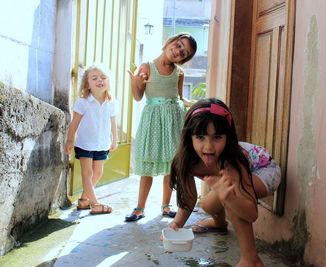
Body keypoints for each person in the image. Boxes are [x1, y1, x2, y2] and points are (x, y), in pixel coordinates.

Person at [168, 98, 281, 267]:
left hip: (264, 171)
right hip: (238, 177)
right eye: (200, 137)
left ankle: (251, 260)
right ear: (189, 137)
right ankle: (220, 224)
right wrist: (176, 224)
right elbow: (190, 198)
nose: (208, 147)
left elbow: (251, 213)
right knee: (207, 204)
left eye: (217, 137)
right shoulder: (185, 160)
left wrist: (230, 198)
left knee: (228, 195)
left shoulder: (232, 162)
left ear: (228, 137)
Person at [125, 33, 197, 222]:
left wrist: (197, 104)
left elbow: (180, 98)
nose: (179, 51)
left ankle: (166, 205)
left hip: (174, 120)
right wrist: (136, 83)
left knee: (170, 165)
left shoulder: (179, 73)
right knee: (148, 164)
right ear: (169, 42)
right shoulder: (147, 67)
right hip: (153, 120)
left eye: (184, 53)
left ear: (185, 59)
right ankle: (139, 208)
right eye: (179, 45)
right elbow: (138, 96)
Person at [64, 64, 118, 215]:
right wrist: (69, 140)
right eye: (94, 78)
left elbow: (113, 122)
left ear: (108, 81)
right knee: (87, 174)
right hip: (85, 143)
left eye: (103, 77)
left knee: (98, 173)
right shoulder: (83, 102)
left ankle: (83, 200)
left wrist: (114, 140)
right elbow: (74, 122)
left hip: (102, 143)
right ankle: (95, 203)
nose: (99, 80)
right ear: (87, 84)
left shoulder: (112, 102)